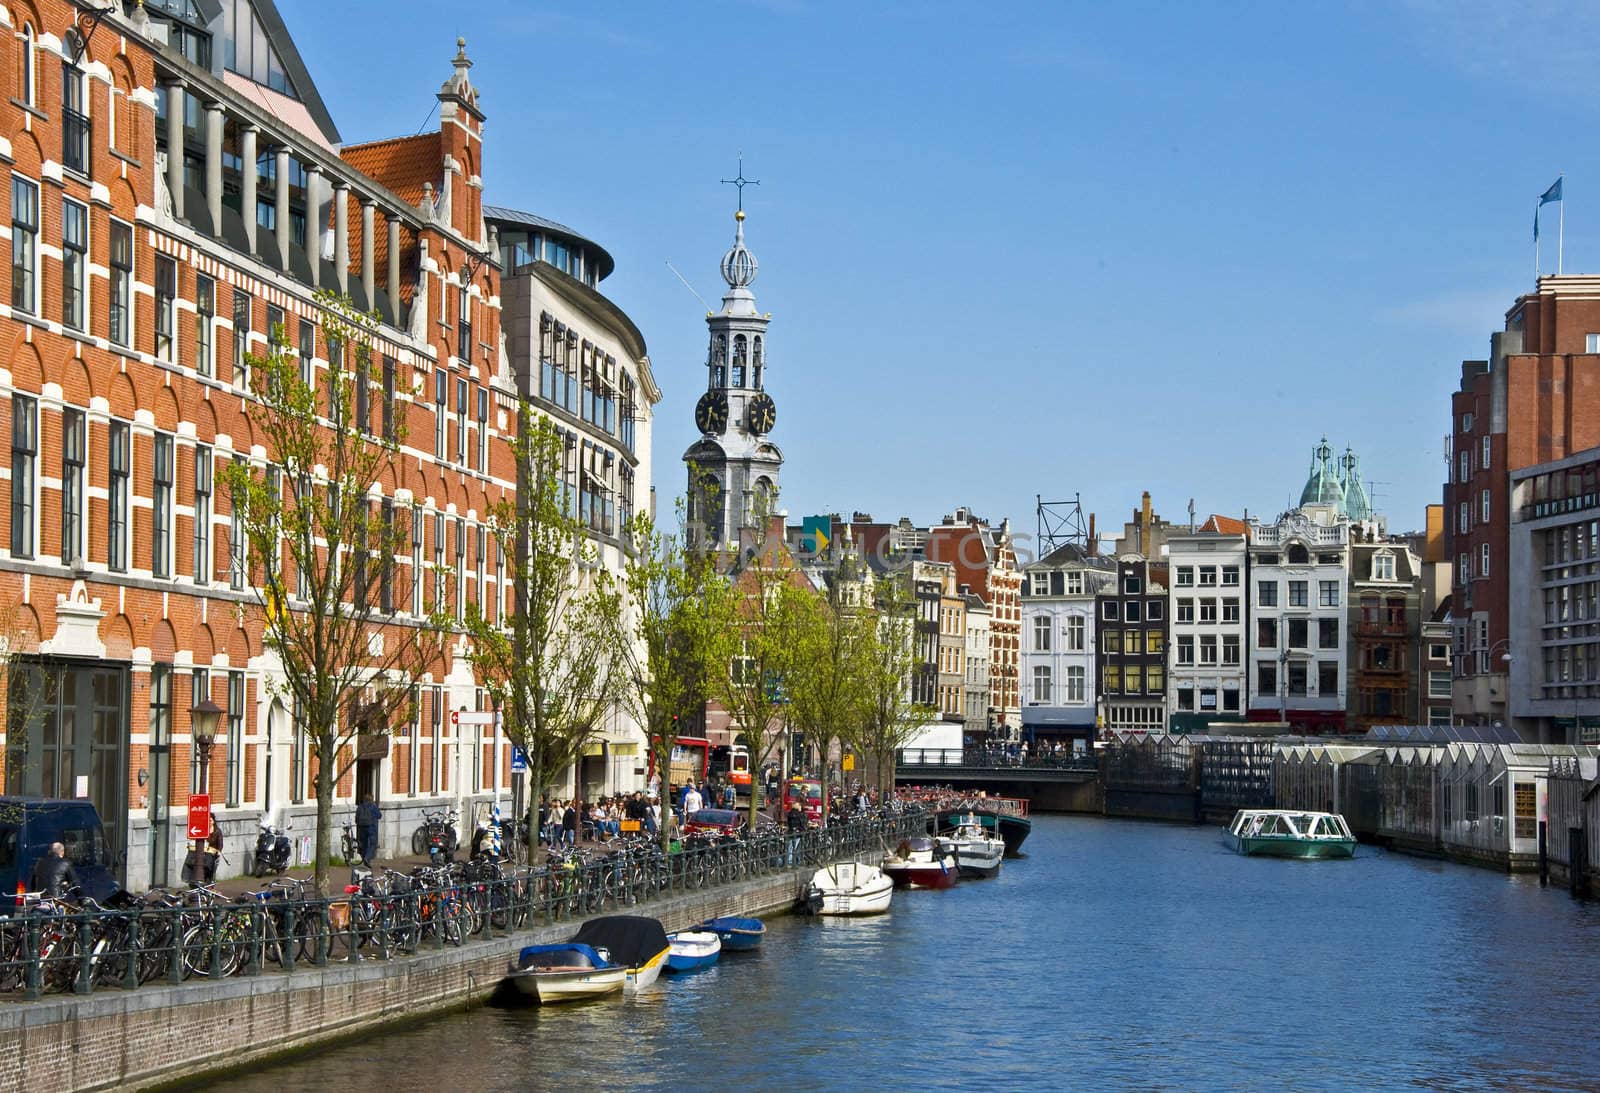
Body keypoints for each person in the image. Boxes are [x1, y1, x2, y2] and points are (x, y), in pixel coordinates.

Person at [355, 795, 380, 866]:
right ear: (372, 799)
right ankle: (367, 858)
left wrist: (359, 824)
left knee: (364, 844)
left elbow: (357, 818)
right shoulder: (373, 806)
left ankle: (364, 859)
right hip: (371, 828)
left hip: (362, 828)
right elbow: (379, 815)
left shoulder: (360, 807)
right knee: (373, 844)